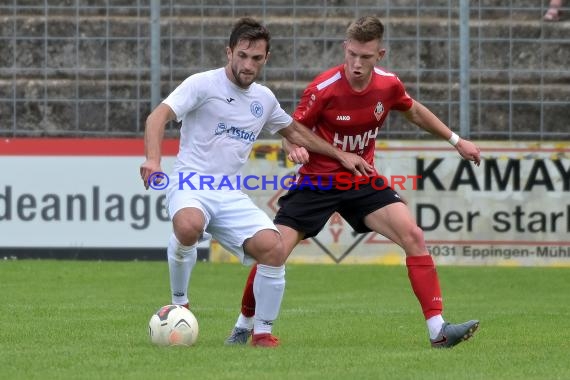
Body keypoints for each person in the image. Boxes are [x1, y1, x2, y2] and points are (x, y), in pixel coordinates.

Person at [225, 16, 482, 349]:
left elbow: (414, 111)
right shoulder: (322, 89)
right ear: (345, 49)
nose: (357, 64)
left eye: (366, 57)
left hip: (361, 180)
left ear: (380, 55)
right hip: (316, 184)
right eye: (353, 55)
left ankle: (439, 331)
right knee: (272, 252)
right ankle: (244, 325)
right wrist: (295, 148)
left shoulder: (388, 85)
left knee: (413, 235)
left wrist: (455, 140)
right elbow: (290, 131)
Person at [140, 17, 369, 348]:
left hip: (229, 193)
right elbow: (157, 116)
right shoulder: (202, 84)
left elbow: (295, 132)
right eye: (243, 55)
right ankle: (180, 302)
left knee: (273, 249)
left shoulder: (264, 99)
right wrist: (153, 159)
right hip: (190, 183)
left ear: (266, 58)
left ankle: (261, 332)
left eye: (256, 58)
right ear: (229, 51)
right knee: (188, 226)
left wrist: (340, 155)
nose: (248, 64)